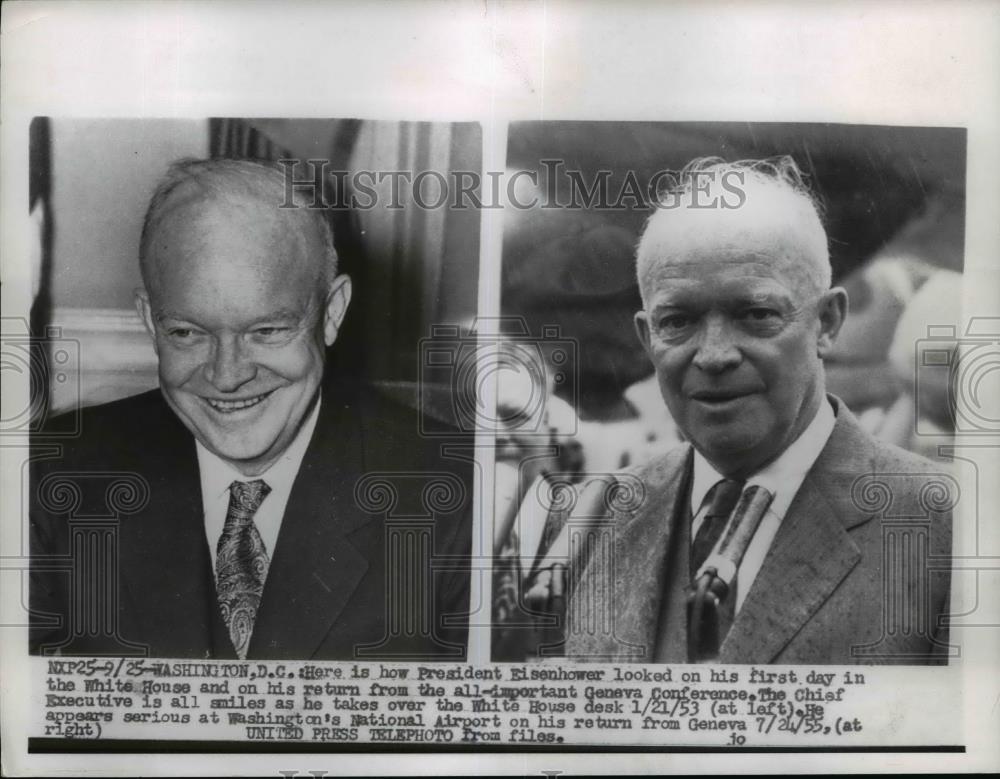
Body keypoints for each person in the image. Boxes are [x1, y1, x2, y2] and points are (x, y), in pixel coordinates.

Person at [30, 158, 471, 661]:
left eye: (266, 331)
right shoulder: (46, 477)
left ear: (331, 313)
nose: (226, 374)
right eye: (186, 333)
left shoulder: (459, 497)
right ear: (150, 323)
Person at [521, 157, 953, 665]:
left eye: (756, 315)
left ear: (827, 322)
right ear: (647, 337)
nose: (713, 355)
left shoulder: (950, 528)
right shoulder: (583, 524)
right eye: (678, 320)